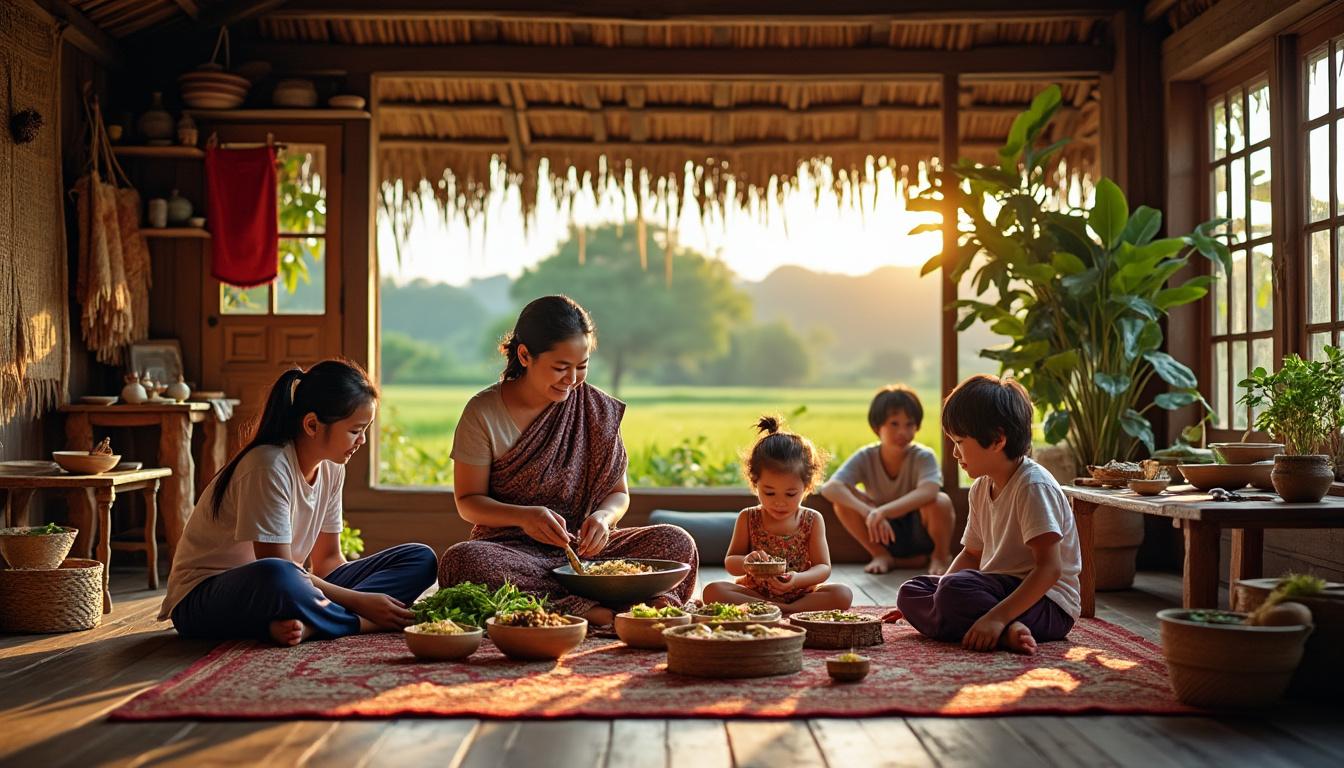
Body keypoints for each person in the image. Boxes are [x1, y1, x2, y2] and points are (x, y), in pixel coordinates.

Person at [437, 295, 697, 627]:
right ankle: (606, 608)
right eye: (560, 367)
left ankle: (608, 605)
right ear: (525, 355)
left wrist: (603, 519)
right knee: (463, 562)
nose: (572, 379)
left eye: (582, 366)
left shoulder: (595, 410)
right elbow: (468, 502)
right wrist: (524, 518)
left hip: (587, 553)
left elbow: (619, 494)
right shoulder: (483, 412)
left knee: (677, 541)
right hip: (513, 551)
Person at [159, 359, 439, 646]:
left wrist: (358, 596)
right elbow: (278, 567)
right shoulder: (267, 465)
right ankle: (356, 623)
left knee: (420, 558)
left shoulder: (332, 467)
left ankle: (315, 623)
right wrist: (362, 604)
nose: (362, 441)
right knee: (279, 574)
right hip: (204, 600)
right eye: (355, 431)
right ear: (312, 424)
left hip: (287, 589)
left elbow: (328, 561)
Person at [894, 374, 1081, 654]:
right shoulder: (981, 486)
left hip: (1047, 604)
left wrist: (996, 616)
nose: (955, 454)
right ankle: (1004, 632)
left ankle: (997, 625)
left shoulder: (1033, 486)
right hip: (995, 589)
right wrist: (934, 597)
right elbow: (971, 554)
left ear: (996, 440)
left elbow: (1049, 569)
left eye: (959, 442)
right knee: (912, 591)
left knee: (954, 592)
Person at [702, 416, 853, 614]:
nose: (779, 502)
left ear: (806, 487)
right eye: (769, 492)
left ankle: (777, 609)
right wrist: (748, 562)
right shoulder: (748, 517)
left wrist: (796, 580)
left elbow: (823, 567)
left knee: (843, 594)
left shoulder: (812, 519)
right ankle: (781, 608)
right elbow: (731, 563)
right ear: (755, 484)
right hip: (755, 594)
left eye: (790, 494)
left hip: (801, 593)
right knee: (713, 591)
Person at [820, 385, 955, 575]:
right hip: (881, 532)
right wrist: (869, 512)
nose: (903, 432)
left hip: (917, 530)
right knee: (842, 504)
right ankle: (882, 555)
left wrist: (883, 511)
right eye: (894, 424)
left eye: (909, 424)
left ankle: (940, 557)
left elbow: (930, 490)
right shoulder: (866, 456)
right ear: (877, 427)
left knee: (940, 501)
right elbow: (830, 488)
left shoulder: (923, 456)